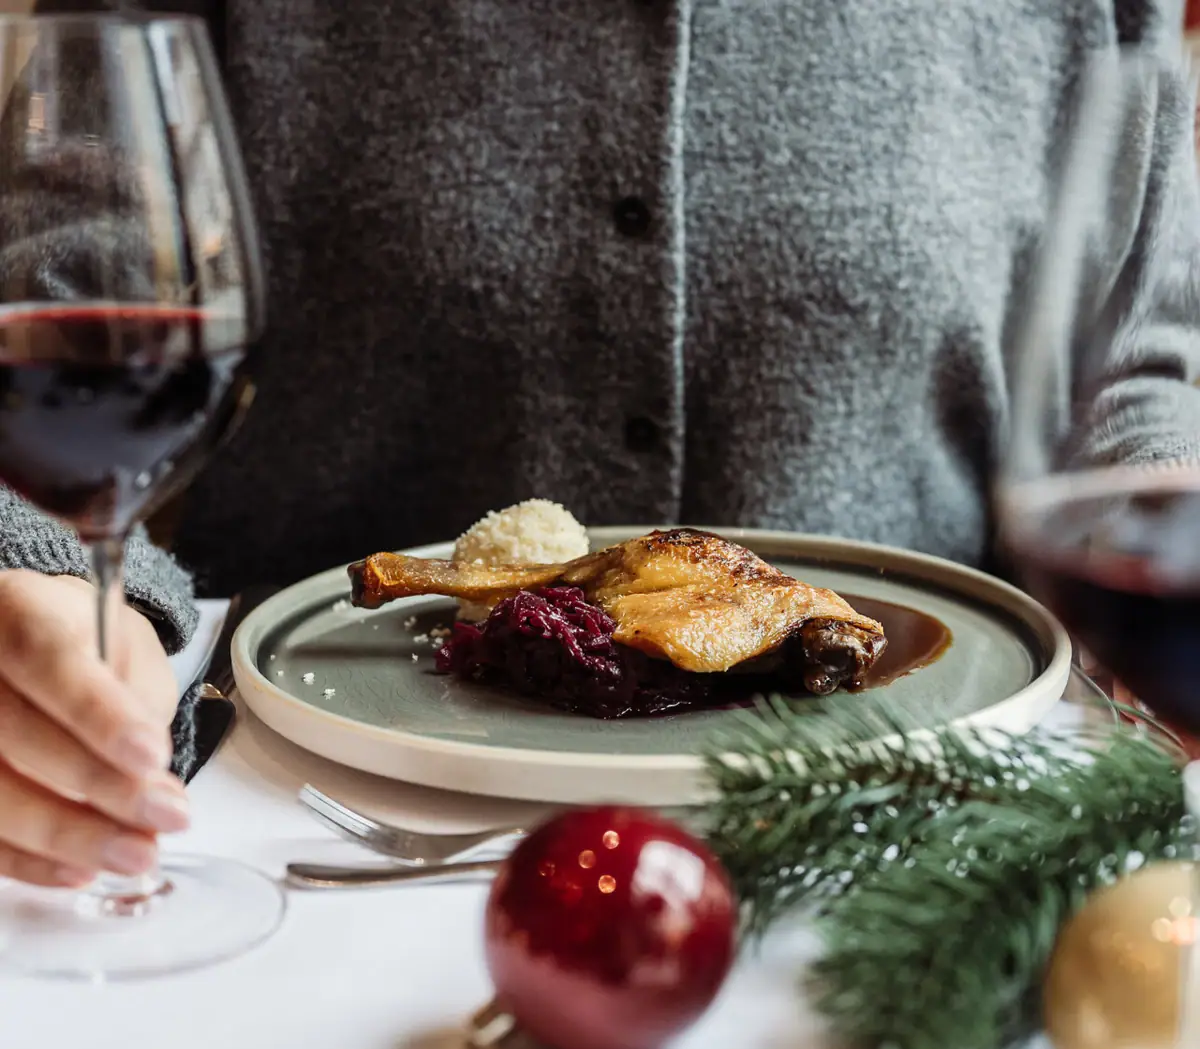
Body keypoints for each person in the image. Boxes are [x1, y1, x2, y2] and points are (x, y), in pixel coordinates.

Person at [0, 0, 1197, 889]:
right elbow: (48, 338)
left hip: (925, 852)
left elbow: (1146, 369)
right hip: (280, 841)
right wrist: (38, 570)